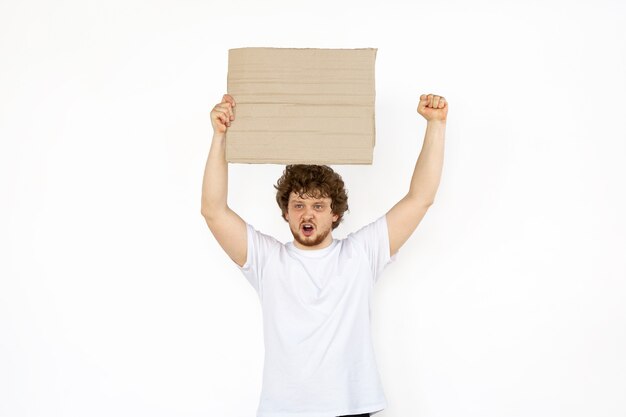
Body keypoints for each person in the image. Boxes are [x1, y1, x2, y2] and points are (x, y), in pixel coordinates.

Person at [201, 92, 447, 417]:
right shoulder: (267, 260)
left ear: (334, 214)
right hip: (283, 411)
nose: (308, 214)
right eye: (299, 205)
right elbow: (213, 211)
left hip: (352, 407)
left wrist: (436, 125)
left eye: (318, 206)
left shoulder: (362, 253)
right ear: (286, 213)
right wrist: (219, 137)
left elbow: (420, 199)